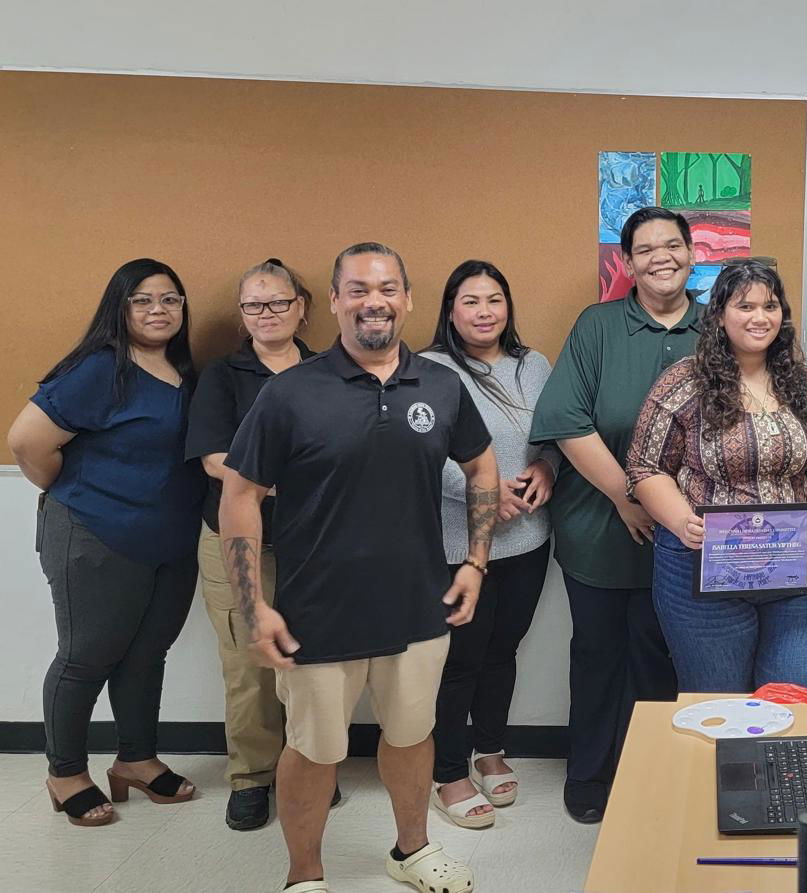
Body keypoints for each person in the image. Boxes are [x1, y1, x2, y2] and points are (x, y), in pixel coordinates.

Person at [220, 242, 496, 893]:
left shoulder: (441, 385)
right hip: (318, 611)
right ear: (336, 300)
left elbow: (481, 464)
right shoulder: (290, 392)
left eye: (387, 288)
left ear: (408, 299)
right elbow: (239, 496)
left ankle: (411, 850)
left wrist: (475, 562)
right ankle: (305, 875)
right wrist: (253, 606)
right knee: (314, 750)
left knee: (412, 735)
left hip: (418, 604)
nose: (374, 301)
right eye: (358, 289)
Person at [8, 258, 204, 827]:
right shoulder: (100, 369)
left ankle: (136, 760)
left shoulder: (185, 373)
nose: (158, 310)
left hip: (170, 539)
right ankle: (65, 772)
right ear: (119, 308)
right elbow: (26, 441)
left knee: (146, 654)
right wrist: (74, 491)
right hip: (95, 534)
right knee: (85, 656)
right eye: (142, 300)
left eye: (169, 299)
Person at [530, 206, 697, 823]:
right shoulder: (598, 326)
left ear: (692, 253)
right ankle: (591, 773)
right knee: (598, 656)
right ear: (627, 262)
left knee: (663, 657)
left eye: (671, 245)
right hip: (600, 525)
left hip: (687, 535)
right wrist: (628, 497)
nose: (661, 258)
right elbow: (567, 420)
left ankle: (654, 774)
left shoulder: (718, 326)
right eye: (645, 249)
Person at [627, 260, 807, 693]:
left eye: (770, 306)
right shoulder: (683, 382)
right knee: (718, 704)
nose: (760, 317)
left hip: (794, 571)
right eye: (745, 306)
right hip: (703, 571)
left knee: (801, 703)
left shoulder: (806, 384)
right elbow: (645, 467)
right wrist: (681, 522)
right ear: (720, 314)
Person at [186, 258, 322, 831]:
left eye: (278, 302)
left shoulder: (329, 371)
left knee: (311, 660)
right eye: (253, 305)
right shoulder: (223, 376)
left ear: (301, 307)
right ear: (242, 314)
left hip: (314, 542)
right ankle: (251, 777)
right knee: (249, 664)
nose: (266, 313)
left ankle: (308, 769)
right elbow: (214, 458)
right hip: (238, 540)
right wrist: (282, 481)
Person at [419, 260, 555, 829]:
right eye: (470, 301)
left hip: (528, 537)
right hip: (457, 543)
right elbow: (419, 454)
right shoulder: (428, 369)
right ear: (450, 310)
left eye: (494, 299)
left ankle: (490, 749)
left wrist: (547, 468)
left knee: (503, 650)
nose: (484, 312)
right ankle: (448, 771)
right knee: (460, 660)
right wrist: (483, 492)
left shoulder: (533, 364)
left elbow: (555, 433)